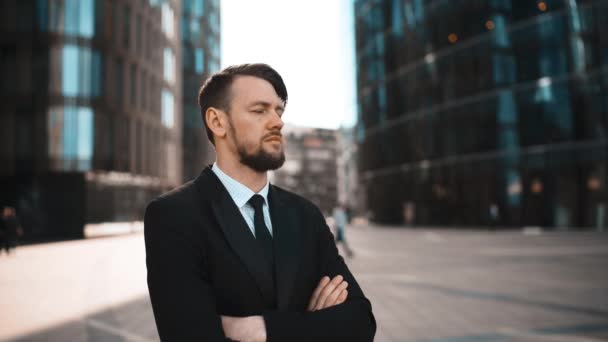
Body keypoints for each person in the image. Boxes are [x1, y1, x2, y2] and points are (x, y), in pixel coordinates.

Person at [144, 64, 375, 341]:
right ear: (218, 122)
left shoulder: (306, 215)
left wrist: (261, 329)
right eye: (259, 110)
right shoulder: (174, 216)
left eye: (279, 110)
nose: (277, 122)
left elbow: (360, 322)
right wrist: (314, 325)